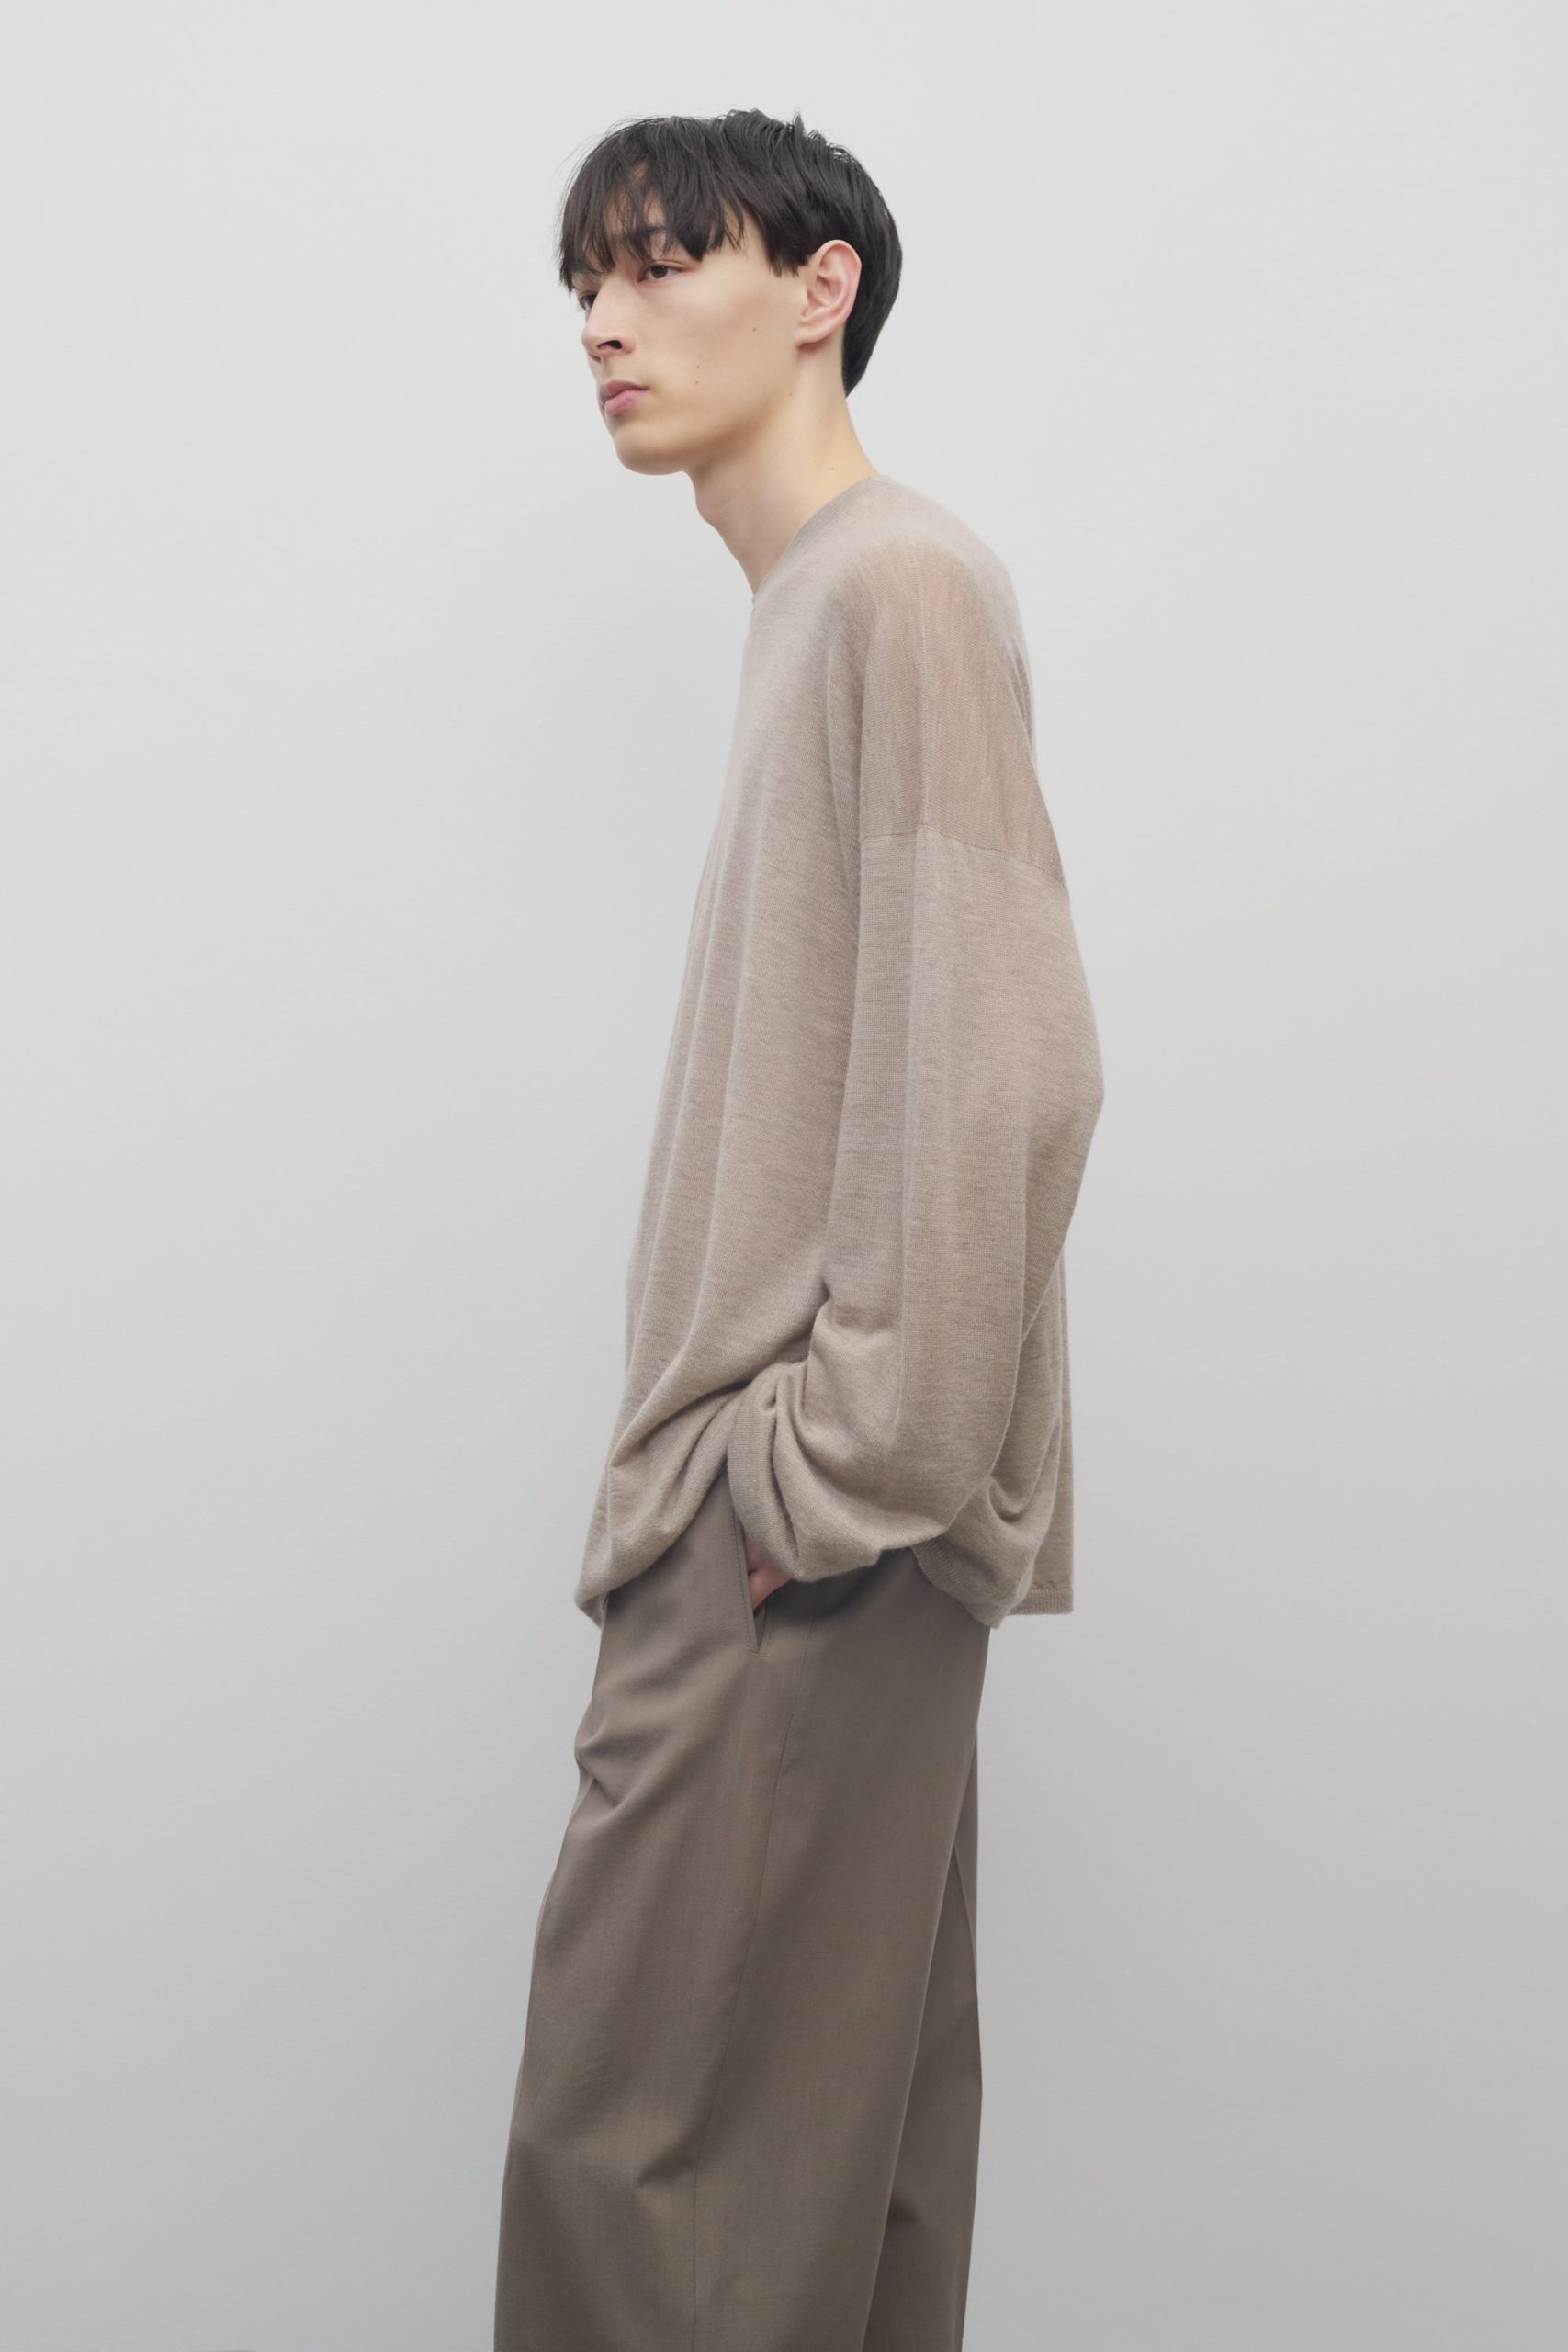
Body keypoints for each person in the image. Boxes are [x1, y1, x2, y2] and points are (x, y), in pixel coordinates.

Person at [495, 107, 1105, 2352]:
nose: (604, 318)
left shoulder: (891, 586)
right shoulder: (819, 608)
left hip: (797, 1544)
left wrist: (815, 1481)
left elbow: (1004, 1064)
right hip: (822, 1540)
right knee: (830, 2197)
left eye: (658, 264)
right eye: (585, 281)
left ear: (819, 289)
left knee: (641, 2181)